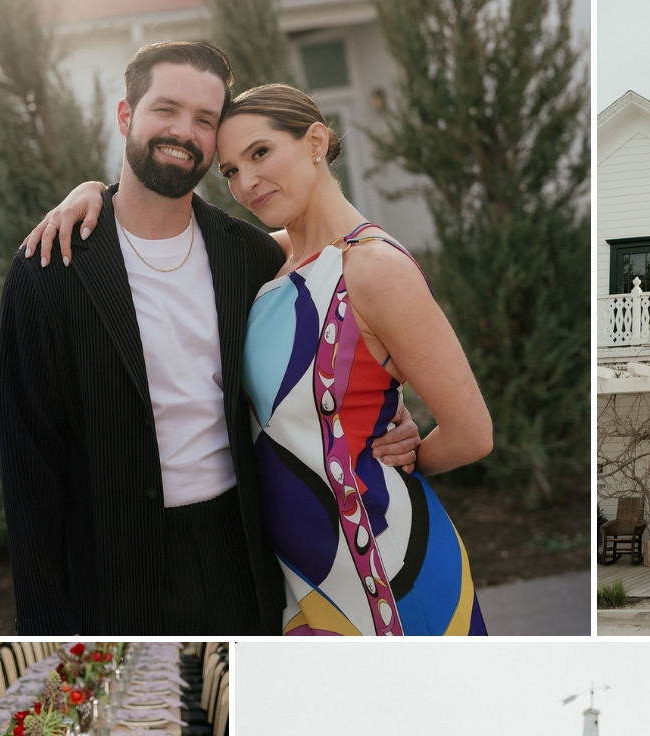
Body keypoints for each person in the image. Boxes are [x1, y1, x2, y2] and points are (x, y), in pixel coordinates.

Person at [26, 81, 493, 636]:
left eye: (260, 153)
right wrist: (94, 193)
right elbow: (156, 217)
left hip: (386, 569)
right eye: (229, 171)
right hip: (298, 581)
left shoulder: (374, 269)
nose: (245, 183)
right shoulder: (269, 258)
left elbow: (472, 433)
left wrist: (411, 455)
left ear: (316, 141)